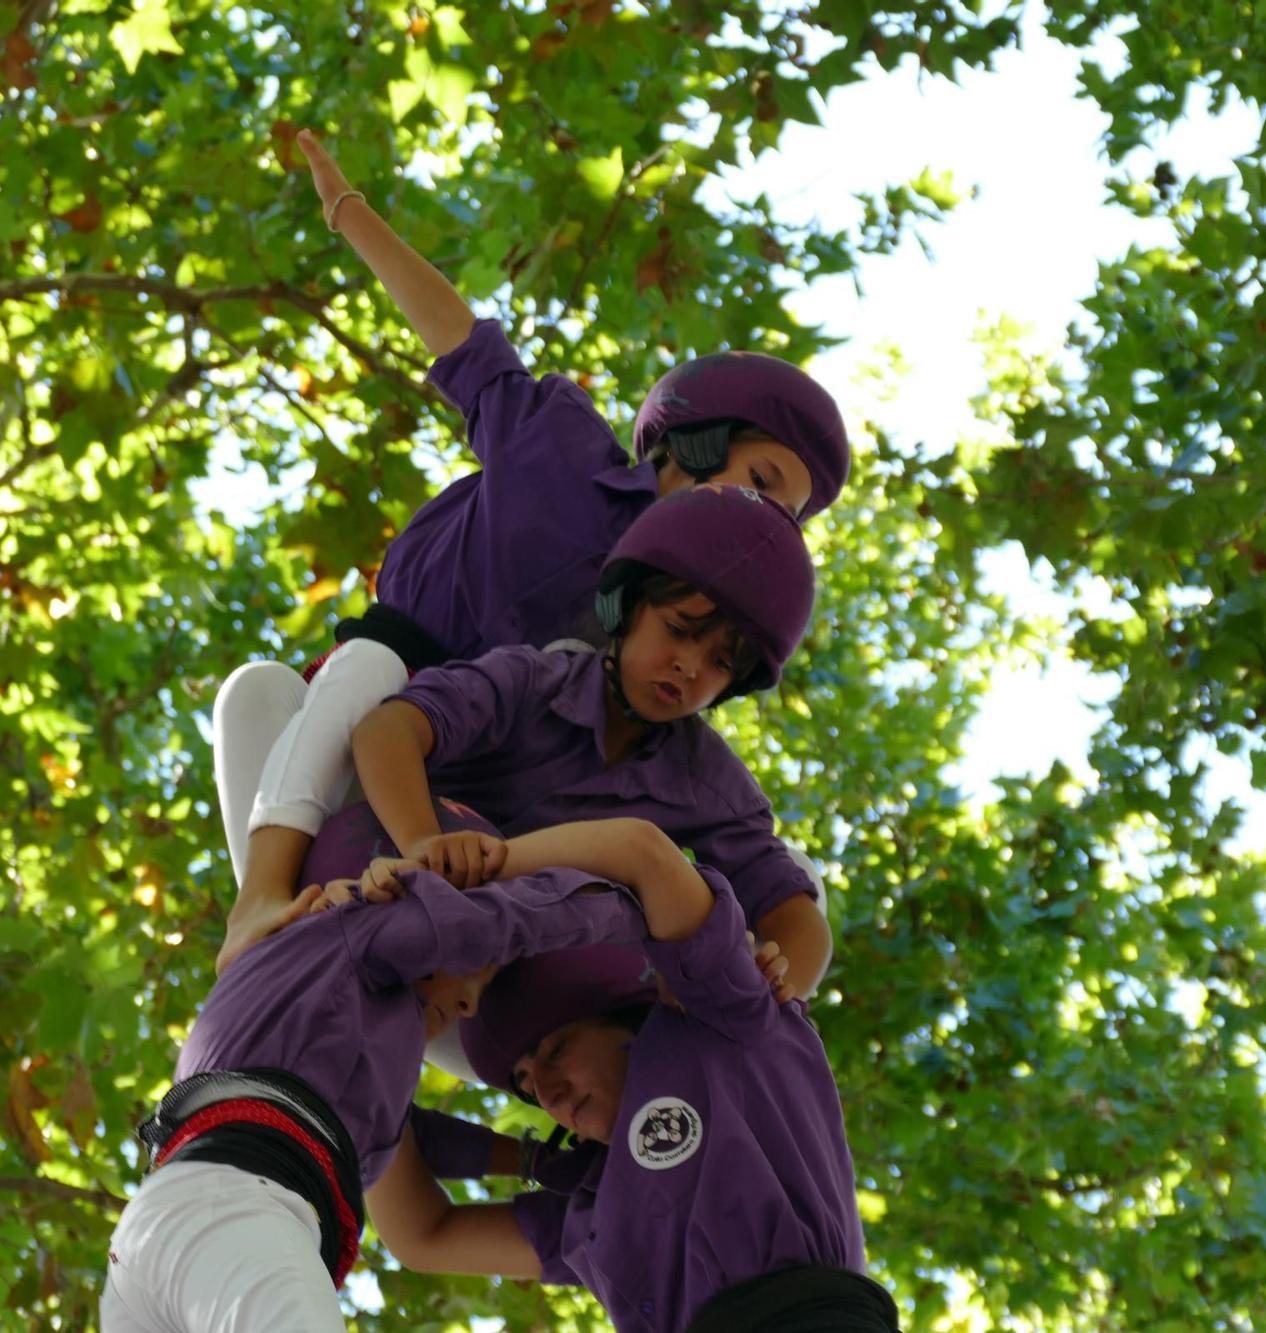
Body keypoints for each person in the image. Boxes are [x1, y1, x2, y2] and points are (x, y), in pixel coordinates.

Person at [217, 128, 853, 975]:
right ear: (700, 440)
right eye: (764, 477)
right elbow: (459, 341)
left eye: (788, 513)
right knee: (364, 664)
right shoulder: (559, 446)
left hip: (507, 790)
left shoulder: (655, 656)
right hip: (401, 703)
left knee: (792, 872)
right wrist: (349, 211)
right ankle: (259, 898)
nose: (769, 514)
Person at [99, 804, 717, 1332]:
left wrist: (533, 1162)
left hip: (164, 1244)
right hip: (230, 1207)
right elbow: (504, 915)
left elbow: (409, 1136)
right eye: (483, 968)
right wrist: (652, 922)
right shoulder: (356, 927)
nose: (471, 1003)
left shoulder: (356, 1049)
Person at [357, 828, 898, 1333]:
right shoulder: (590, 1215)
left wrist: (451, 882)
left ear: (630, 1024)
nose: (548, 1093)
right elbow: (426, 1234)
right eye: (525, 1086)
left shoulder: (722, 1027)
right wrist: (373, 1037)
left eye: (558, 1050)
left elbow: (641, 851)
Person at [350, 482, 834, 1007]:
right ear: (627, 607)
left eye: (721, 664)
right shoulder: (529, 680)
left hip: (511, 988)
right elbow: (388, 730)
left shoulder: (708, 783)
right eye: (677, 629)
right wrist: (422, 839)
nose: (689, 667)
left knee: (800, 881)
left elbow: (792, 911)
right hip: (391, 889)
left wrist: (771, 987)